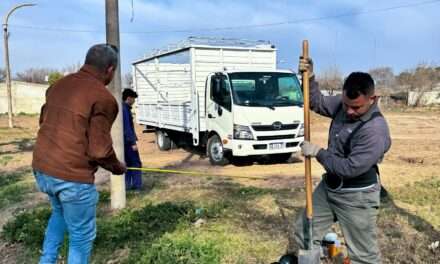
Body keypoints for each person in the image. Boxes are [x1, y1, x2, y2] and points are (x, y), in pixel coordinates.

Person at [32, 44, 126, 264]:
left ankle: (46, 260)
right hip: (71, 178)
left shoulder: (57, 86)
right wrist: (117, 167)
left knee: (59, 213)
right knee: (81, 237)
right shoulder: (103, 98)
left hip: (42, 168)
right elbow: (100, 150)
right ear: (110, 70)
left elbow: (44, 123)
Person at [294, 58, 391, 264]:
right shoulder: (343, 104)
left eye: (356, 108)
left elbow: (348, 168)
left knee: (364, 257)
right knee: (305, 234)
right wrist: (309, 77)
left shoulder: (375, 131)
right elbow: (317, 102)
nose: (348, 111)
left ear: (373, 99)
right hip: (330, 187)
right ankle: (329, 258)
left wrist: (318, 152)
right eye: (346, 104)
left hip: (357, 196)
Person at [122, 88, 142, 190]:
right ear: (129, 98)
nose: (134, 101)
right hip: (128, 142)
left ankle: (127, 186)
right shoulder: (125, 109)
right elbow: (127, 127)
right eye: (133, 99)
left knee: (128, 164)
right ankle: (137, 187)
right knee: (136, 163)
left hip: (123, 142)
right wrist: (133, 142)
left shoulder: (122, 108)